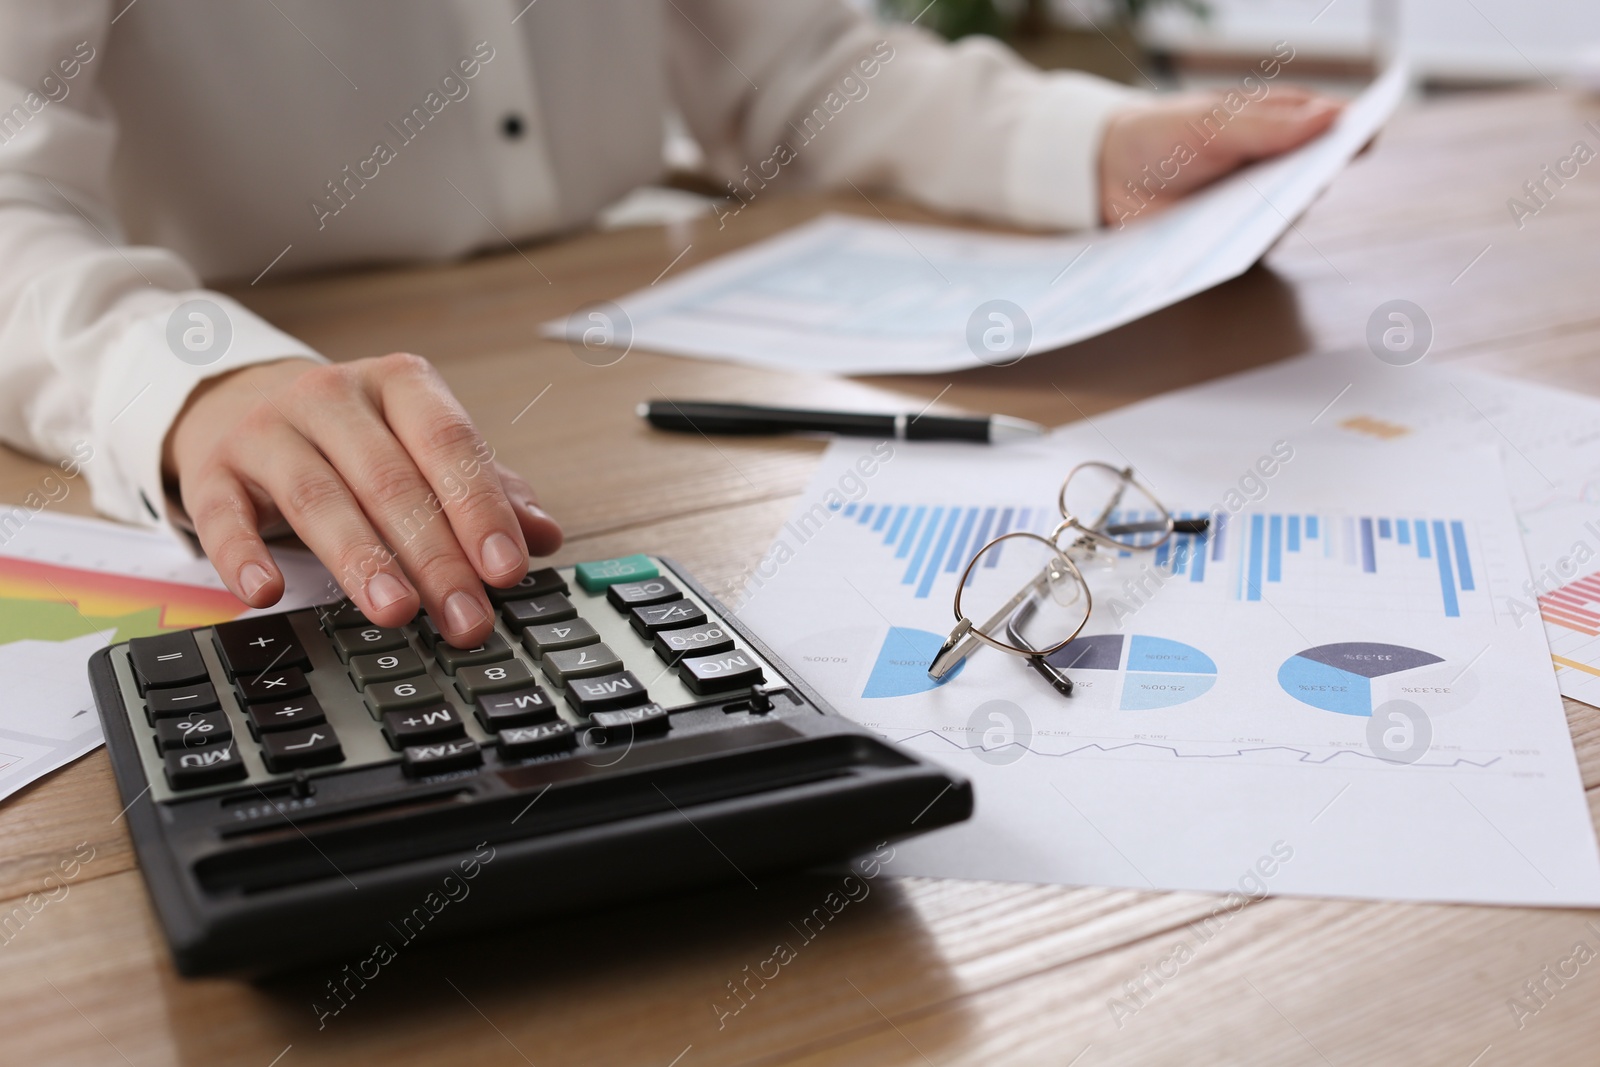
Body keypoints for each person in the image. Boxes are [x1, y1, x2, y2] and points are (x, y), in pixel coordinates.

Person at [0, 1, 1340, 647]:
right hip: (265, 392)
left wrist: (1081, 143)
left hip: (615, 347)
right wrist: (181, 382)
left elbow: (796, 67)